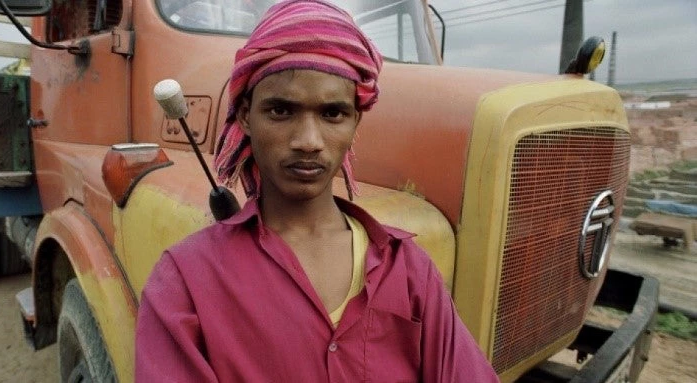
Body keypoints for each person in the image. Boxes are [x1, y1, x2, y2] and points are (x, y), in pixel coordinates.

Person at [135, 0, 500, 381]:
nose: (308, 141)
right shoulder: (185, 282)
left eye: (332, 114)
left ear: (356, 121)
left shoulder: (408, 269)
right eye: (281, 111)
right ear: (245, 114)